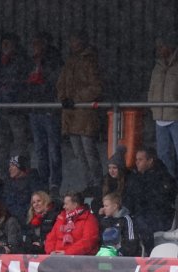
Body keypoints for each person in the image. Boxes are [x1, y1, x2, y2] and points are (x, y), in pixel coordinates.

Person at [56, 31, 103, 195]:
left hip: (84, 113)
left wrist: (76, 98)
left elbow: (96, 87)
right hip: (71, 114)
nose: (73, 45)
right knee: (79, 154)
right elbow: (60, 83)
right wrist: (63, 97)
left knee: (89, 152)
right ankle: (88, 184)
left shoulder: (91, 61)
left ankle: (98, 184)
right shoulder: (69, 62)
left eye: (75, 41)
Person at [148, 36, 178, 197]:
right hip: (160, 116)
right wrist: (153, 106)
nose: (159, 50)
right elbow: (152, 89)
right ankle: (167, 184)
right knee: (163, 154)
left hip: (177, 115)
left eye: (161, 47)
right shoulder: (157, 66)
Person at [25, 32, 64, 198]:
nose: (35, 47)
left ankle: (54, 183)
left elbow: (55, 81)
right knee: (40, 149)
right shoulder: (31, 61)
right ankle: (43, 182)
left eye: (38, 43)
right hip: (35, 109)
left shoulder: (54, 59)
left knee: (53, 148)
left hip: (49, 108)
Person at [123, 146, 177, 254]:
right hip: (139, 215)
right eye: (136, 159)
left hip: (160, 218)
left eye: (140, 159)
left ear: (150, 161)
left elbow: (161, 202)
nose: (137, 162)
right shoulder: (135, 177)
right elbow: (128, 198)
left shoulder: (163, 178)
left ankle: (149, 252)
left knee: (140, 223)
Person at [0, 33, 31, 173]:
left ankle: (18, 173)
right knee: (0, 144)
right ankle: (2, 175)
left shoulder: (22, 61)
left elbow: (21, 83)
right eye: (3, 43)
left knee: (19, 145)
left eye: (8, 43)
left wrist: (9, 91)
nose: (5, 46)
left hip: (16, 109)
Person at [97, 192, 140, 257]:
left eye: (106, 206)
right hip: (105, 254)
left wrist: (118, 254)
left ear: (115, 206)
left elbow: (131, 244)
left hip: (121, 258)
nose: (103, 208)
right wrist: (99, 217)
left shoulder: (126, 220)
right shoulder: (105, 220)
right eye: (103, 206)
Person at [2, 154, 43, 219]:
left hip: (31, 216)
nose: (10, 169)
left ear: (20, 167)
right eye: (9, 166)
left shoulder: (34, 181)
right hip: (14, 218)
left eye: (13, 166)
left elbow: (37, 201)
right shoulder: (8, 183)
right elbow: (8, 203)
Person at [23, 190, 59, 254]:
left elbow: (57, 237)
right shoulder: (31, 219)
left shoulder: (55, 216)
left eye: (39, 201)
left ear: (46, 201)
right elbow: (28, 239)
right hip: (34, 253)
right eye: (34, 202)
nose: (36, 204)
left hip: (50, 253)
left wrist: (42, 243)